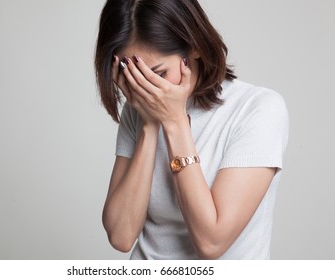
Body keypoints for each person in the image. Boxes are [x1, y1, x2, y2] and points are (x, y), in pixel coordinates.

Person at [94, 0, 289, 260]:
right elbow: (121, 235)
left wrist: (174, 123)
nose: (146, 89)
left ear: (194, 47)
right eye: (133, 77)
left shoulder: (257, 109)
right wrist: (149, 125)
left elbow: (211, 243)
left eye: (158, 73)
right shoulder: (138, 109)